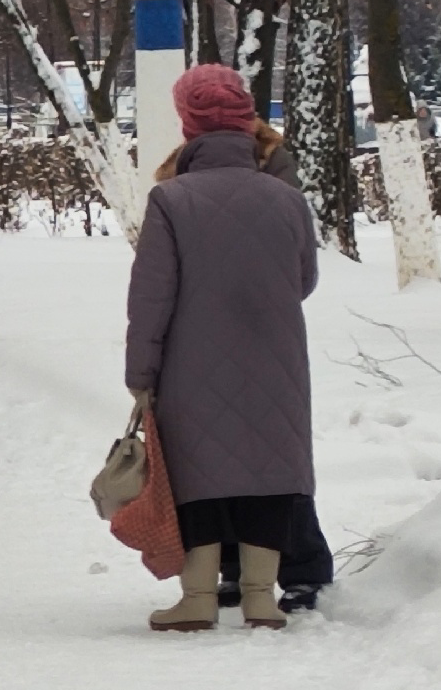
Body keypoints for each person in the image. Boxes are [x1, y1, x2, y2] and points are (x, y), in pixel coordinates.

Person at [126, 64, 319, 631]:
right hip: (277, 355)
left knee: (197, 473)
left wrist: (142, 372)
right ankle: (261, 597)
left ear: (188, 125)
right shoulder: (286, 199)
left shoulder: (172, 200)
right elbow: (303, 280)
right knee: (267, 470)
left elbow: (151, 298)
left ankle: (199, 599)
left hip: (191, 359)